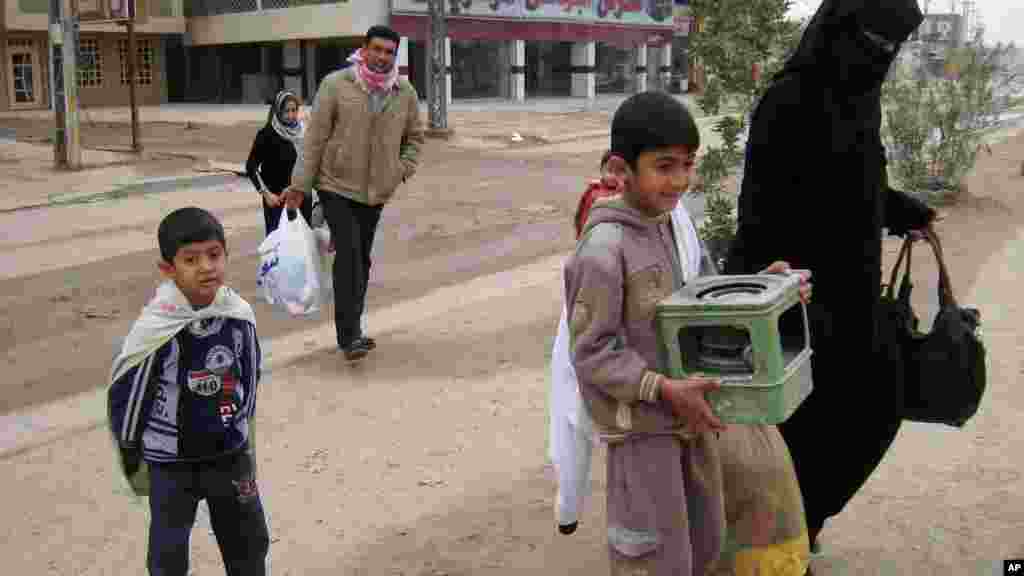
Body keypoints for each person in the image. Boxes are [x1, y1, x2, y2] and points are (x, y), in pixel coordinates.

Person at [564, 92, 812, 575]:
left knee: (703, 542)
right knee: (654, 555)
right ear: (619, 169)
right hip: (645, 437)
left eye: (688, 164)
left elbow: (700, 306)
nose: (680, 180)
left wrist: (763, 291)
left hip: (691, 424)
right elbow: (592, 353)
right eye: (664, 166)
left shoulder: (672, 226)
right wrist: (662, 388)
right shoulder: (602, 250)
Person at [723, 0, 938, 555]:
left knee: (877, 406)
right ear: (841, 29)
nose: (880, 55)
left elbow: (856, 184)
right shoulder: (789, 100)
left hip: (856, 296)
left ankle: (805, 520)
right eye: (873, 41)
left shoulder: (862, 99)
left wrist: (901, 210)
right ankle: (783, 539)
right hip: (800, 299)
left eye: (891, 47)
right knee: (801, 430)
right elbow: (758, 210)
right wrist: (763, 293)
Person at [107, 207, 269, 576]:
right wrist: (131, 449)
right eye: (191, 259)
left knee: (248, 542)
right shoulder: (158, 326)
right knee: (168, 549)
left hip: (229, 453)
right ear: (168, 269)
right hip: (171, 463)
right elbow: (130, 393)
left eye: (214, 255)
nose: (206, 267)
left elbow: (250, 375)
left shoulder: (237, 315)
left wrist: (241, 430)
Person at [284, 25, 424, 362]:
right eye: (377, 49)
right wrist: (300, 185)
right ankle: (349, 337)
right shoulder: (336, 85)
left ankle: (354, 329)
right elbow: (314, 139)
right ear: (363, 49)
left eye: (389, 52)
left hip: (376, 192)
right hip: (336, 185)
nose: (382, 57)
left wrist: (400, 170)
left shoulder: (404, 92)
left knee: (361, 258)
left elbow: (415, 138)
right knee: (348, 254)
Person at [246, 89, 313, 235]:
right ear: (277, 111)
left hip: (301, 199)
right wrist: (267, 194)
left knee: (303, 242)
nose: (291, 115)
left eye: (294, 110)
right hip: (278, 201)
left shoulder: (304, 132)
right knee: (279, 243)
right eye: (286, 111)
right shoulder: (267, 135)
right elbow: (251, 166)